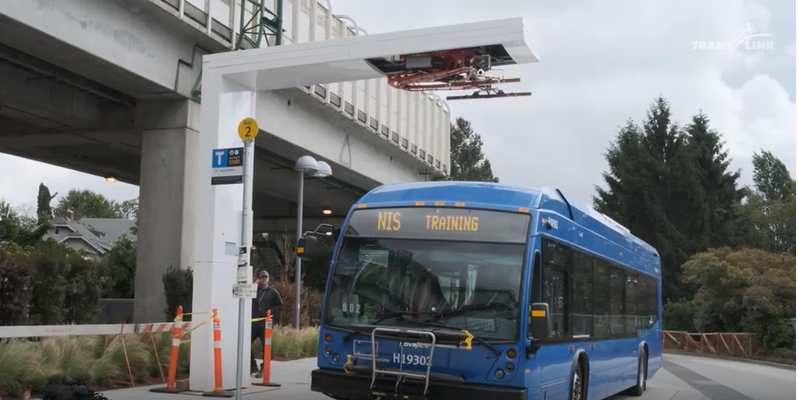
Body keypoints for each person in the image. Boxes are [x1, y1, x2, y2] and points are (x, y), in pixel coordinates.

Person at [251, 270, 282, 377]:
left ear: (268, 279)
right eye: (262, 277)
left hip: (265, 324)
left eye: (265, 277)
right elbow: (247, 297)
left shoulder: (273, 292)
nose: (264, 279)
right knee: (246, 343)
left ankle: (263, 368)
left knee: (266, 347)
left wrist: (270, 312)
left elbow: (279, 305)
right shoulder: (255, 290)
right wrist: (253, 286)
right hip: (254, 323)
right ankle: (252, 365)